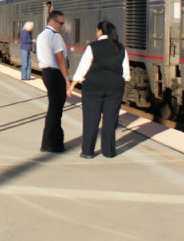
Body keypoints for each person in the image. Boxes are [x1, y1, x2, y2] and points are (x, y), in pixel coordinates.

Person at [69, 20, 131, 159]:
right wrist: (124, 86)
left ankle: (88, 151)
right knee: (110, 119)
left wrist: (72, 85)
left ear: (100, 31)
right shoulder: (120, 48)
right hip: (115, 88)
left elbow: (83, 68)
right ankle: (108, 151)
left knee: (91, 118)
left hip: (93, 88)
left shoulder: (93, 47)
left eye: (97, 30)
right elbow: (125, 71)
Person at [36, 10, 71, 153]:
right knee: (56, 110)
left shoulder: (41, 35)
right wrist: (67, 79)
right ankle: (51, 144)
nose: (62, 26)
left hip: (46, 73)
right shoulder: (54, 36)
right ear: (52, 21)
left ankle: (50, 142)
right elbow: (60, 59)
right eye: (61, 23)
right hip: (55, 74)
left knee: (53, 109)